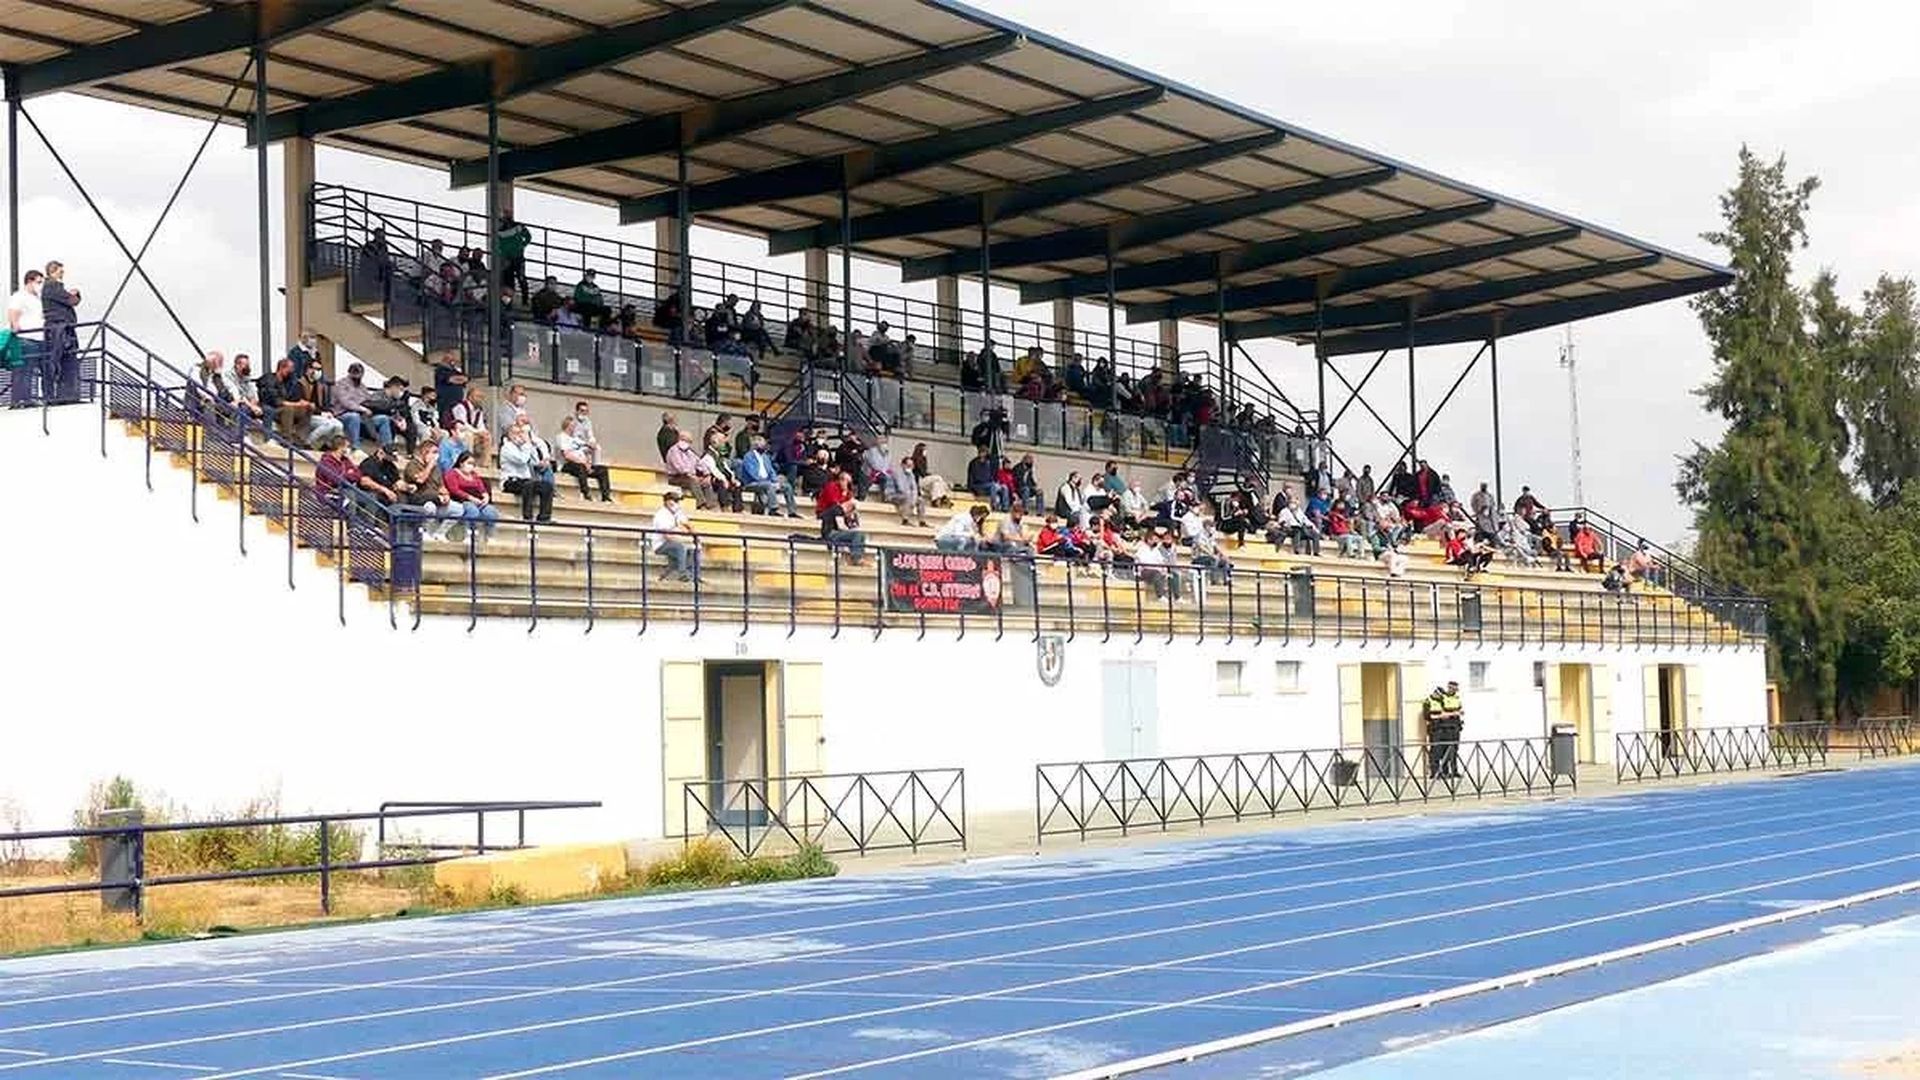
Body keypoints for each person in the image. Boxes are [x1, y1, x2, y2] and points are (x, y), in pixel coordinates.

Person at [37, 261, 79, 404]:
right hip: (58, 329)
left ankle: (62, 395)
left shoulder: (51, 287)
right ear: (53, 271)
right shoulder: (52, 286)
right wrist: (74, 294)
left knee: (61, 361)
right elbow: (71, 301)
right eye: (60, 272)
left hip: (59, 329)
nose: (62, 275)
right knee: (59, 361)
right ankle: (60, 396)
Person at [498, 423, 555, 522]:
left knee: (547, 486)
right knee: (528, 485)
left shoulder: (523, 447)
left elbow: (532, 461)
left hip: (525, 480)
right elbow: (522, 460)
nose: (519, 436)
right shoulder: (507, 448)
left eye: (520, 433)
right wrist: (527, 444)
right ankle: (527, 517)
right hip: (510, 481)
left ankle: (544, 517)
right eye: (515, 433)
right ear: (509, 435)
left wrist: (541, 463)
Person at [331, 362, 394, 449]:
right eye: (355, 372)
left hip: (363, 417)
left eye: (359, 373)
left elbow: (368, 400)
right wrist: (362, 409)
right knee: (354, 416)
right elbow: (346, 402)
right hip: (343, 414)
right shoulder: (341, 384)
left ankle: (388, 448)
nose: (357, 376)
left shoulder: (362, 387)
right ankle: (355, 447)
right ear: (349, 372)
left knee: (383, 419)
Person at [440, 450, 500, 542]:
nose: (471, 466)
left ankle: (490, 535)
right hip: (461, 500)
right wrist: (470, 498)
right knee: (472, 511)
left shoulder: (474, 475)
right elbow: (454, 490)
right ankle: (469, 534)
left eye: (473, 464)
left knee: (491, 512)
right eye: (469, 463)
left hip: (477, 500)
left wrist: (485, 497)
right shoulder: (452, 473)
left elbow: (482, 488)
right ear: (461, 463)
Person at [6, 270, 42, 408]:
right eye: (38, 282)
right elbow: (13, 311)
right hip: (25, 337)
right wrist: (15, 326)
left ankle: (26, 398)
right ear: (29, 281)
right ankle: (19, 399)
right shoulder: (20, 296)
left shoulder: (37, 298)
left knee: (30, 370)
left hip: (37, 337)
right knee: (22, 370)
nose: (40, 285)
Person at [739, 435, 799, 517]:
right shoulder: (748, 457)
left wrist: (775, 481)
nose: (765, 446)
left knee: (787, 486)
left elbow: (771, 471)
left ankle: (792, 511)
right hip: (752, 483)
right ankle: (773, 509)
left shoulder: (765, 457)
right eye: (763, 444)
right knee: (769, 486)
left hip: (767, 482)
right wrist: (768, 482)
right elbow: (752, 473)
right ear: (756, 445)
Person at [556, 415, 612, 502]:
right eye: (573, 426)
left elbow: (587, 449)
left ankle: (606, 496)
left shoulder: (576, 439)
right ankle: (586, 493)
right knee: (580, 467)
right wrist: (584, 463)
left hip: (583, 464)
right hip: (567, 465)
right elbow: (567, 455)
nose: (575, 428)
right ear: (568, 426)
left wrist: (589, 460)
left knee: (603, 470)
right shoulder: (561, 437)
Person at [649, 490, 701, 581]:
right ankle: (682, 573)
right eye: (675, 500)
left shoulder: (677, 513)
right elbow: (666, 535)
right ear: (667, 502)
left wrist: (695, 537)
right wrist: (683, 540)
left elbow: (688, 524)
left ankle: (694, 576)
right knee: (680, 547)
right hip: (661, 544)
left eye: (678, 501)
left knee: (694, 549)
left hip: (674, 541)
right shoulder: (661, 515)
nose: (677, 503)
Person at [1424, 681, 1465, 780]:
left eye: (1455, 689)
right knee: (1436, 751)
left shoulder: (1451, 699)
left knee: (1450, 750)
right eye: (1451, 688)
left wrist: (1455, 714)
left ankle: (1448, 772)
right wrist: (1445, 715)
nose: (1453, 690)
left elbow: (1454, 711)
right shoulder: (1428, 701)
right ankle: (1435, 773)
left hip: (1450, 728)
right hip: (1436, 729)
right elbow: (1428, 716)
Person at [820, 492, 866, 565]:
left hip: (836, 533)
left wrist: (852, 521)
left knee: (862, 535)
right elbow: (841, 527)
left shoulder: (841, 511)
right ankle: (856, 558)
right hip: (830, 533)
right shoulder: (838, 510)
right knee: (857, 534)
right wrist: (850, 525)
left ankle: (858, 556)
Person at [496, 210, 532, 304]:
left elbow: (528, 237)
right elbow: (498, 245)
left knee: (521, 279)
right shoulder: (499, 230)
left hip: (518, 257)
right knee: (508, 282)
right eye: (505, 214)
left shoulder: (518, 226)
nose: (505, 216)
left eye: (507, 214)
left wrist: (521, 246)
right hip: (507, 259)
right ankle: (507, 303)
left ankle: (525, 301)